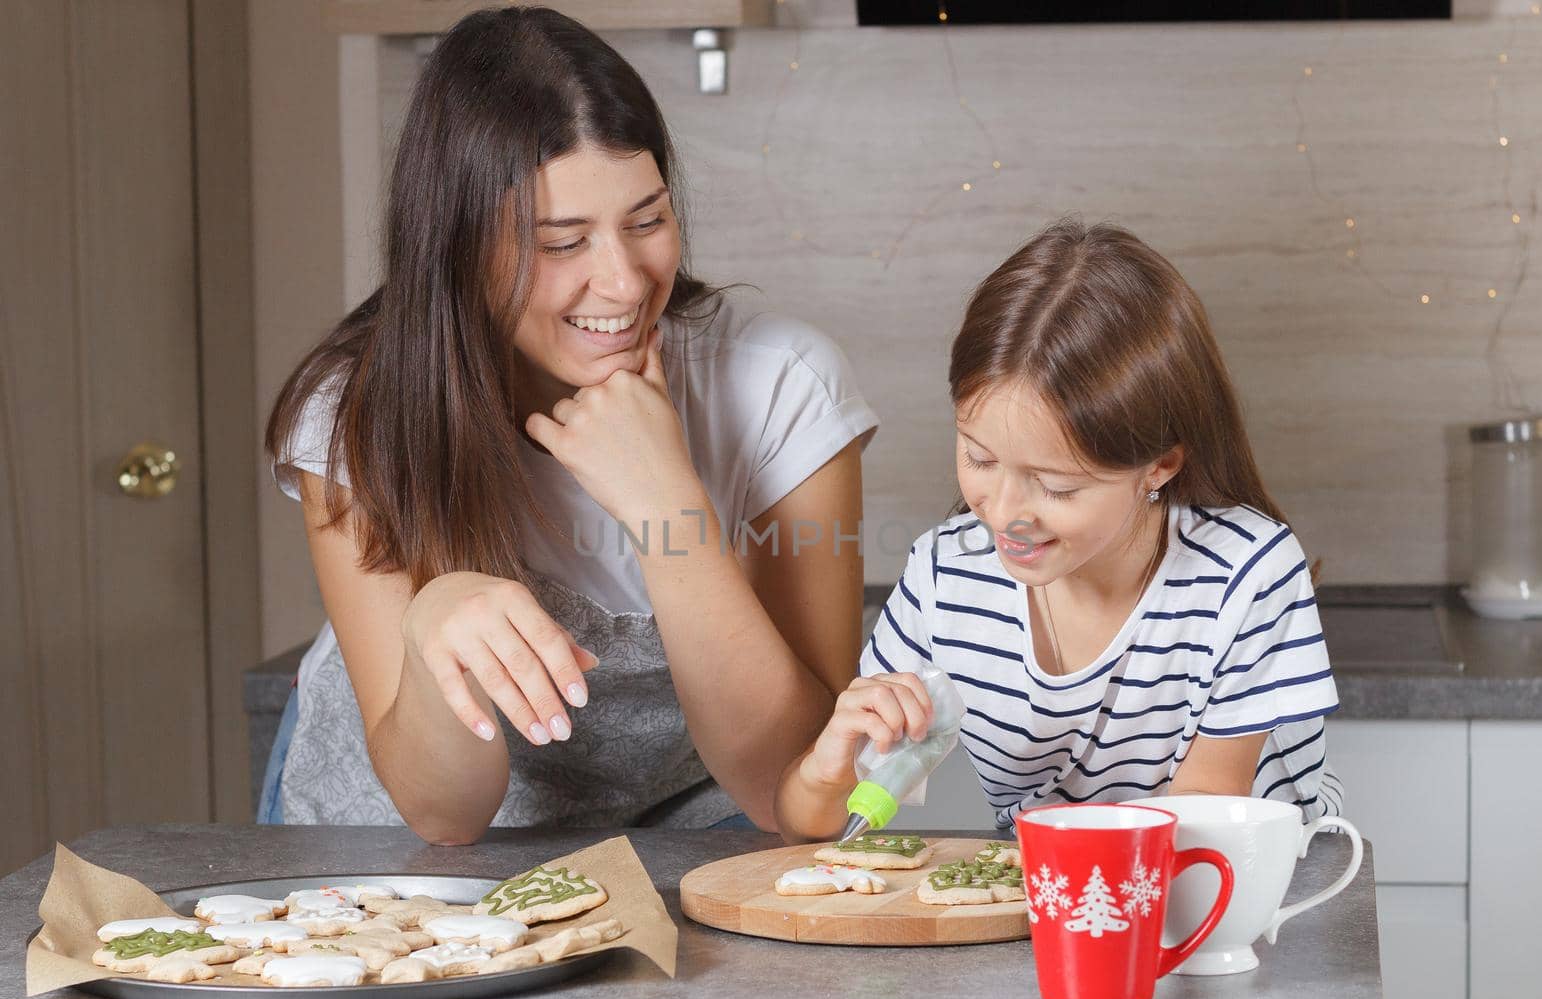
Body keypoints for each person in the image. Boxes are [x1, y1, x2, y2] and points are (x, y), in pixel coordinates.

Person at [259, 6, 878, 843]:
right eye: (562, 242)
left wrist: (669, 510)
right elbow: (444, 814)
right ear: (457, 246)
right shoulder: (357, 415)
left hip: (688, 836)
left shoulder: (781, 389)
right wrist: (436, 619)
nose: (623, 283)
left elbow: (795, 788)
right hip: (394, 845)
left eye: (647, 220)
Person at [775, 219, 1341, 842]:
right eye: (980, 458)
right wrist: (829, 770)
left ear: (1160, 465)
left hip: (1240, 899)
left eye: (1057, 486)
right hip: (1068, 901)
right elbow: (812, 824)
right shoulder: (945, 575)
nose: (1006, 513)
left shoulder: (1246, 575)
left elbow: (1202, 827)